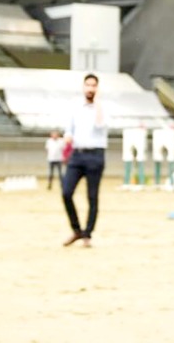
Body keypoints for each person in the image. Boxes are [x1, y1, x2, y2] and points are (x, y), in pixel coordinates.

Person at [61, 74, 107, 247]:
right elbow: (69, 129)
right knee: (66, 192)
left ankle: (88, 234)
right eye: (88, 85)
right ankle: (76, 229)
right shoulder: (75, 106)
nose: (90, 88)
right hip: (77, 154)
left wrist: (98, 102)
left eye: (94, 86)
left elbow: (100, 125)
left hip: (95, 155)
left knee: (92, 196)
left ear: (98, 88)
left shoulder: (102, 107)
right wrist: (68, 137)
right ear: (83, 86)